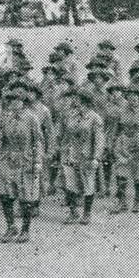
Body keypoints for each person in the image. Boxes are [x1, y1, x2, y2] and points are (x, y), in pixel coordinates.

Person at [0, 86, 43, 241]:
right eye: (10, 101)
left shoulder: (31, 118)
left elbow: (38, 141)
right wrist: (1, 159)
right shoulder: (5, 118)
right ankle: (11, 227)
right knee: (6, 195)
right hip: (9, 160)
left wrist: (37, 161)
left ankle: (25, 230)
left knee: (26, 197)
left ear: (23, 102)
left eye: (16, 100)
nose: (12, 104)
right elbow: (2, 141)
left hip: (26, 160)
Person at [57, 90, 104, 224]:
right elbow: (66, 135)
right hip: (70, 154)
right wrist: (62, 149)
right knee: (70, 183)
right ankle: (73, 212)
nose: (74, 101)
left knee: (88, 184)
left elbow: (99, 140)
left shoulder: (95, 118)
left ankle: (87, 213)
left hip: (86, 155)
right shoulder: (71, 115)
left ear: (85, 101)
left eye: (77, 99)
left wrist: (96, 157)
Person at [110, 85, 139, 214]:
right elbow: (115, 130)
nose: (132, 99)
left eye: (135, 96)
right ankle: (122, 202)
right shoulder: (121, 111)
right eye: (130, 96)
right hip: (123, 144)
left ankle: (137, 202)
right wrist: (113, 144)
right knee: (121, 174)